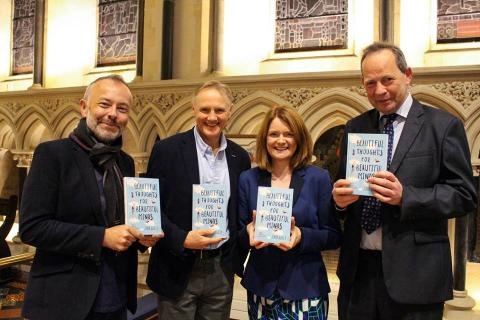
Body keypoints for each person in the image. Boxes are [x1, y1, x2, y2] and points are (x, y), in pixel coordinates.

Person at [333, 42, 477, 320]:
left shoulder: (443, 127)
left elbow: (464, 195)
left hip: (416, 277)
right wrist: (339, 202)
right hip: (359, 273)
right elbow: (343, 187)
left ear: (408, 75)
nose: (379, 90)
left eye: (388, 79)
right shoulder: (356, 127)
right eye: (370, 83)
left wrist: (406, 197)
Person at [20, 75, 161, 320]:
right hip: (65, 300)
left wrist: (142, 236)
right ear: (84, 106)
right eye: (104, 104)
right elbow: (33, 228)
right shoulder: (53, 155)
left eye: (122, 108)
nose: (113, 114)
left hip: (115, 295)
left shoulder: (125, 162)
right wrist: (101, 237)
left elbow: (122, 222)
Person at [146, 80, 251, 319]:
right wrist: (182, 238)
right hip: (178, 265)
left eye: (219, 110)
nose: (212, 117)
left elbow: (237, 213)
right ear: (194, 110)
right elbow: (151, 210)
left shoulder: (239, 157)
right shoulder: (167, 151)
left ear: (230, 111)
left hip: (220, 268)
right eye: (205, 110)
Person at [238, 105, 341, 319]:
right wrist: (248, 232)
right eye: (274, 134)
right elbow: (239, 232)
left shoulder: (318, 178)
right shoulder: (248, 179)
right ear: (265, 139)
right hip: (261, 289)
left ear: (299, 138)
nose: (281, 140)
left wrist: (302, 236)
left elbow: (333, 235)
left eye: (288, 134)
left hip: (305, 289)